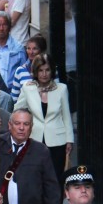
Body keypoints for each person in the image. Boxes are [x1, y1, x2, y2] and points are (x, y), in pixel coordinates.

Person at [15, 52, 73, 182]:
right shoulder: (27, 88)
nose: (44, 74)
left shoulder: (62, 89)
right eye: (41, 70)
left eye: (47, 70)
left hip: (58, 141)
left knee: (56, 178)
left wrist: (69, 140)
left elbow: (66, 116)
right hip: (34, 139)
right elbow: (17, 112)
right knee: (35, 177)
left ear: (52, 71)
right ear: (35, 71)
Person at [10, 33, 47, 102]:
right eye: (28, 48)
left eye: (35, 49)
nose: (31, 52)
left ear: (41, 50)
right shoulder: (20, 70)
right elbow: (14, 98)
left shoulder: (49, 69)